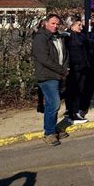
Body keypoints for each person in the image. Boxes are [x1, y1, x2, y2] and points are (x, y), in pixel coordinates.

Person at [32, 14, 69, 146]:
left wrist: (64, 68)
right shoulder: (40, 38)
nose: (55, 26)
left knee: (53, 104)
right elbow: (44, 59)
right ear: (46, 23)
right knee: (54, 104)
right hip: (47, 76)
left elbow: (63, 55)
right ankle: (49, 133)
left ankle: (53, 128)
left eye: (57, 24)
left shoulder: (57, 37)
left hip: (57, 75)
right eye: (53, 23)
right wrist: (62, 70)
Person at [64, 16, 91, 124]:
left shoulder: (79, 36)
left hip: (82, 67)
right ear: (72, 25)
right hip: (75, 68)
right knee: (74, 91)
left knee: (79, 90)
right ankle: (73, 114)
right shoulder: (69, 37)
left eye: (81, 24)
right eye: (79, 25)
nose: (81, 26)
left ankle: (75, 112)